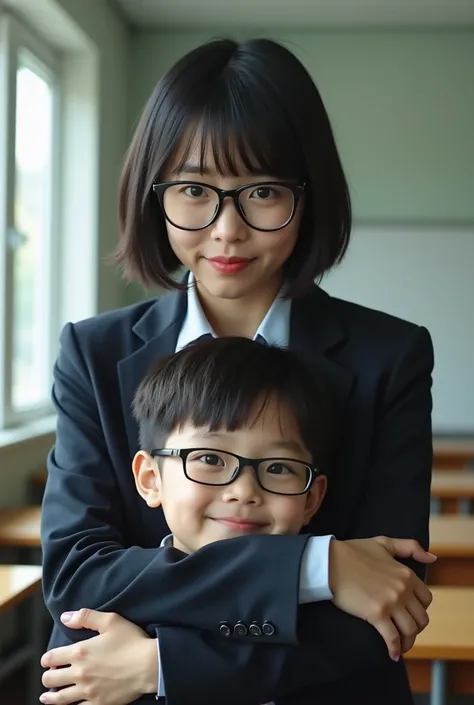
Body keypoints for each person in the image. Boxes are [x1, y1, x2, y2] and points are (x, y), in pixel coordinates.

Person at [40, 37, 435, 705]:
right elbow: (79, 576)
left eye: (262, 191)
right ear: (153, 191)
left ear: (308, 195)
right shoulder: (94, 352)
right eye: (194, 190)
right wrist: (317, 564)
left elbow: (385, 609)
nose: (227, 230)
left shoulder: (389, 357)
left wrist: (163, 663)